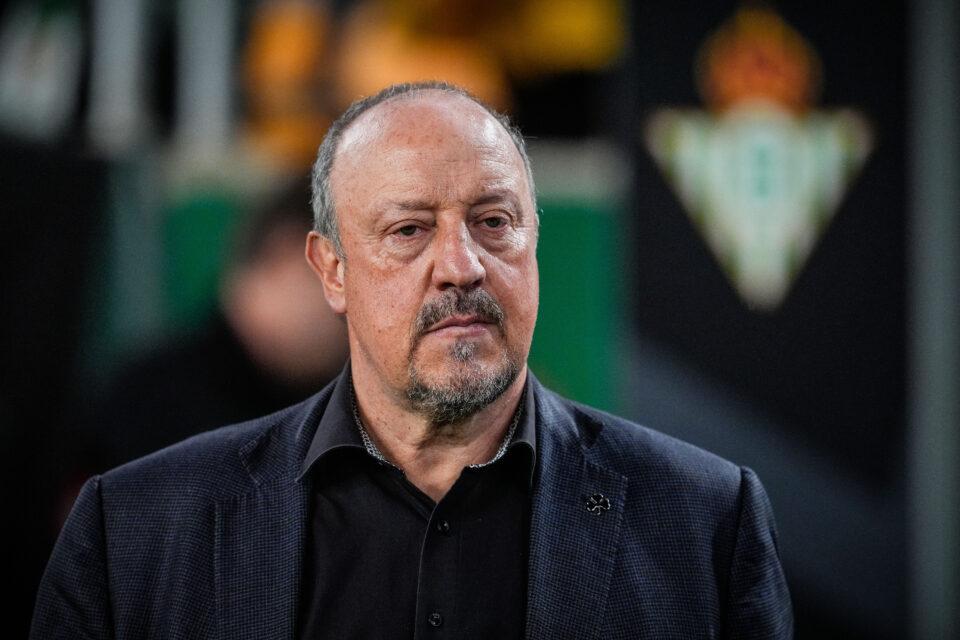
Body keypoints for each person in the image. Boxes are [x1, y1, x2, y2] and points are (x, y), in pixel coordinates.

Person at [31, 82, 792, 639]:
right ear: (332, 271)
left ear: (534, 246)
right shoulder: (136, 531)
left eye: (493, 222)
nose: (461, 266)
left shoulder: (703, 525)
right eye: (409, 230)